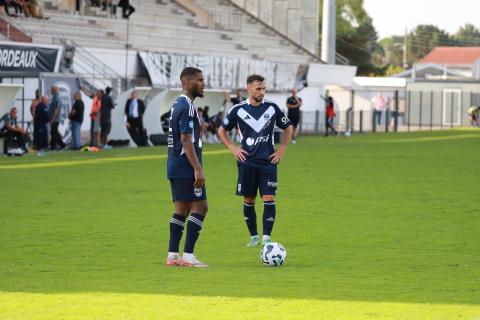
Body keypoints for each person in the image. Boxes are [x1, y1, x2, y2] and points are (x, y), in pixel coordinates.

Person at [218, 74, 292, 248]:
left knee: (269, 197)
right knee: (249, 200)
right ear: (248, 89)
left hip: (268, 162)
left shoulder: (272, 108)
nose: (262, 92)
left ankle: (266, 237)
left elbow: (287, 127)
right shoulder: (238, 110)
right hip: (247, 162)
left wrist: (281, 149)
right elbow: (222, 130)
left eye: (264, 88)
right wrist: (232, 147)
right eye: (258, 89)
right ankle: (253, 237)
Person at [166, 67, 209, 268]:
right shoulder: (188, 107)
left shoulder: (177, 104)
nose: (203, 84)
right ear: (186, 83)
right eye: (199, 80)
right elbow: (185, 139)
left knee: (181, 210)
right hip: (185, 167)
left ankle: (173, 255)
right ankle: (189, 256)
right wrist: (197, 168)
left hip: (174, 166)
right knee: (201, 207)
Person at [48, 85, 66, 150]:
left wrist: (53, 119)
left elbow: (56, 109)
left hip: (56, 119)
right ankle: (62, 144)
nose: (50, 91)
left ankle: (53, 146)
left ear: (54, 90)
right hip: (55, 118)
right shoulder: (54, 97)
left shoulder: (57, 98)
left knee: (53, 132)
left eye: (51, 90)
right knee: (54, 132)